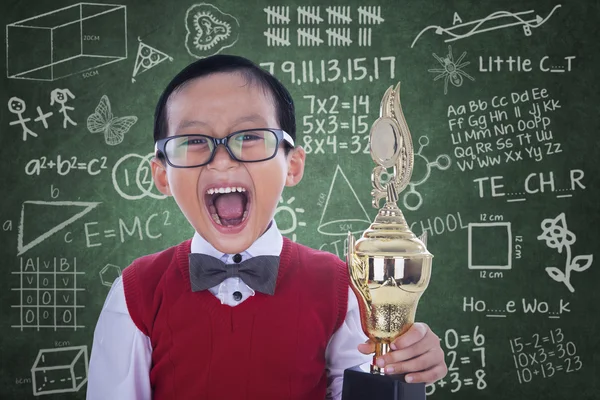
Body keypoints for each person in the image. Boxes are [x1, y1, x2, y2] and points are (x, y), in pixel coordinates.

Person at [86, 54, 447, 399]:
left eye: (250, 136)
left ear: (292, 165)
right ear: (162, 176)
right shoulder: (135, 293)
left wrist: (402, 361)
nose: (223, 160)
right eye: (194, 141)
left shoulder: (339, 286)